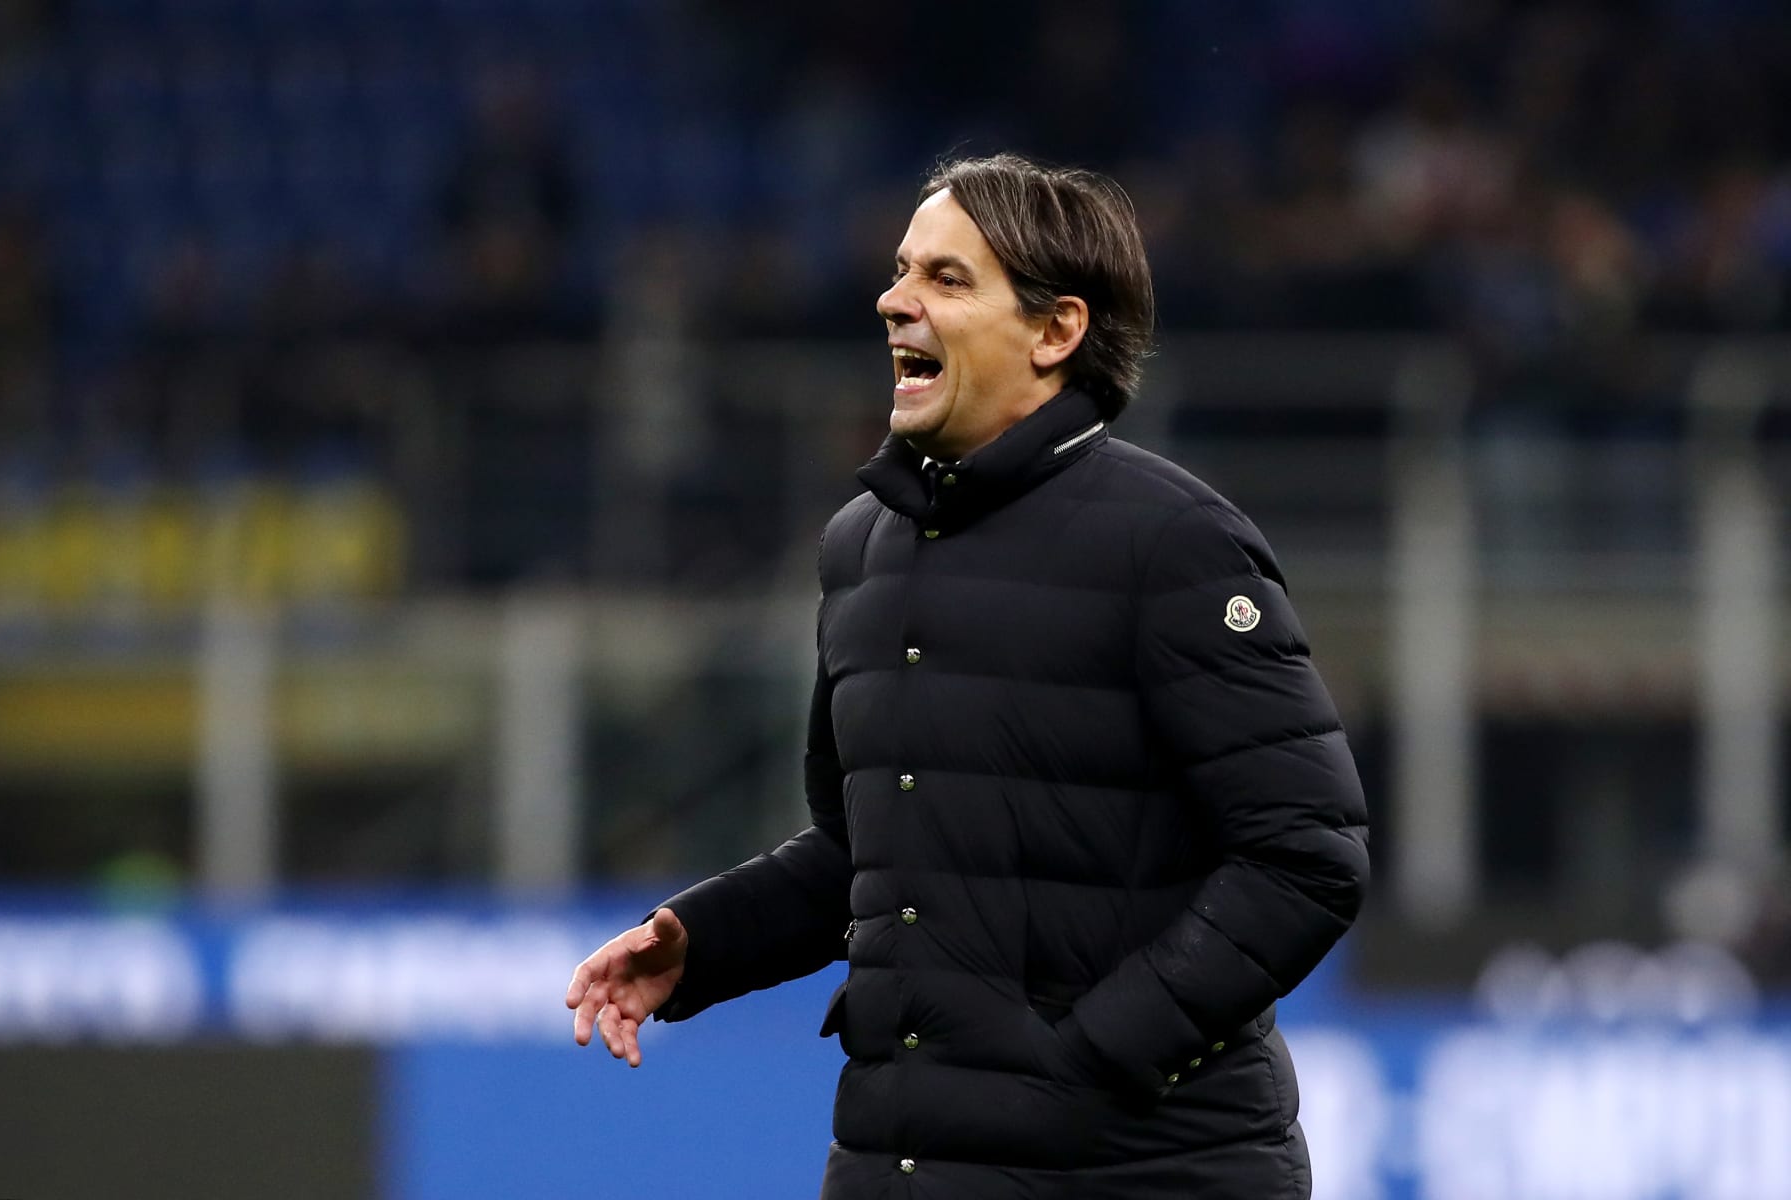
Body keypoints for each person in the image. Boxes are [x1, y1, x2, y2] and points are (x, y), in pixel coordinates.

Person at [566, 152, 1370, 1199]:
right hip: (906, 1166)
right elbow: (868, 848)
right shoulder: (861, 547)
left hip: (1141, 1174)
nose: (893, 301)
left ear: (1056, 331)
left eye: (946, 280)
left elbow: (1305, 855)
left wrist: (1089, 1064)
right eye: (903, 272)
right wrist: (704, 943)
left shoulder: (1174, 544)